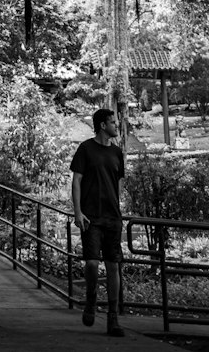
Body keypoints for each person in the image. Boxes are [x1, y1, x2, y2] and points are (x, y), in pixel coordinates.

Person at [70, 106, 125, 337]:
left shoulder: (117, 152)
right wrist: (78, 212)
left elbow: (120, 180)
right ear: (103, 125)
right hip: (91, 216)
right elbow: (77, 181)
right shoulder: (86, 149)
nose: (116, 125)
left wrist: (117, 204)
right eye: (112, 122)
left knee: (113, 266)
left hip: (112, 217)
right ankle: (91, 300)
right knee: (92, 263)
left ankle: (113, 318)